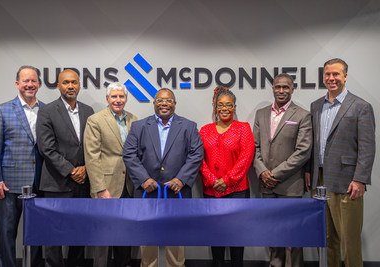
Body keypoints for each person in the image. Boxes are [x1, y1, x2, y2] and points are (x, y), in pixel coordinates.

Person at [306, 58, 375, 267]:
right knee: (326, 240)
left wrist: (360, 179)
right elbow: (314, 142)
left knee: (349, 240)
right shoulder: (316, 105)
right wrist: (309, 171)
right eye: (327, 74)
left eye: (336, 74)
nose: (331, 78)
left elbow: (367, 147)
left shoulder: (361, 106)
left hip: (347, 182)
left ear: (345, 76)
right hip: (320, 180)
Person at [123, 88, 204, 267]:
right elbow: (129, 154)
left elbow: (196, 154)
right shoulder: (139, 126)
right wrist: (143, 179)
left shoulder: (189, 127)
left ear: (174, 104)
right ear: (154, 104)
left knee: (176, 239)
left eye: (168, 101)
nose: (164, 104)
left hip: (177, 192)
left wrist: (181, 179)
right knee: (148, 240)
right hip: (147, 192)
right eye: (160, 100)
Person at [0, 65, 44, 267]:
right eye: (25, 81)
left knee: (36, 235)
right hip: (8, 186)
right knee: (7, 233)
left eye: (33, 81)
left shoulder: (47, 111)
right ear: (17, 84)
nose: (30, 84)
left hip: (38, 185)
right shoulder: (2, 110)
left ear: (39, 84)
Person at [36, 69, 94, 267]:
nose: (71, 86)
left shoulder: (88, 111)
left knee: (79, 230)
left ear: (79, 85)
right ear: (58, 86)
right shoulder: (46, 111)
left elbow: (92, 145)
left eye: (74, 82)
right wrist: (71, 170)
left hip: (84, 182)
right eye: (66, 82)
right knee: (54, 235)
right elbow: (46, 148)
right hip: (56, 183)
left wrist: (86, 167)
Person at [253, 74, 312, 267]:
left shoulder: (302, 115)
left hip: (290, 185)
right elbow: (255, 147)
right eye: (278, 87)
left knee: (293, 235)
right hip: (266, 184)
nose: (281, 91)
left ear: (292, 89)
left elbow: (303, 152)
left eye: (286, 87)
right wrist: (262, 171)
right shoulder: (261, 113)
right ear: (272, 88)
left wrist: (275, 174)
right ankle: (275, 264)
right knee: (273, 231)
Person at [199, 86, 255, 267]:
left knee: (237, 236)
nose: (224, 108)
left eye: (228, 105)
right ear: (215, 107)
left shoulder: (243, 129)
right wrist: (213, 180)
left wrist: (227, 180)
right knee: (215, 236)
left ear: (234, 107)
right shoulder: (205, 130)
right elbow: (199, 160)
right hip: (211, 190)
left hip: (237, 191)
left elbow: (246, 158)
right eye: (220, 105)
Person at [84, 82, 137, 267]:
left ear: (126, 99)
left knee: (124, 235)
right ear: (107, 99)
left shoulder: (134, 119)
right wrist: (100, 188)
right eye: (114, 96)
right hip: (106, 186)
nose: (118, 100)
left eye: (121, 96)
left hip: (129, 186)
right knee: (103, 238)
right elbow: (92, 157)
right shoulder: (96, 120)